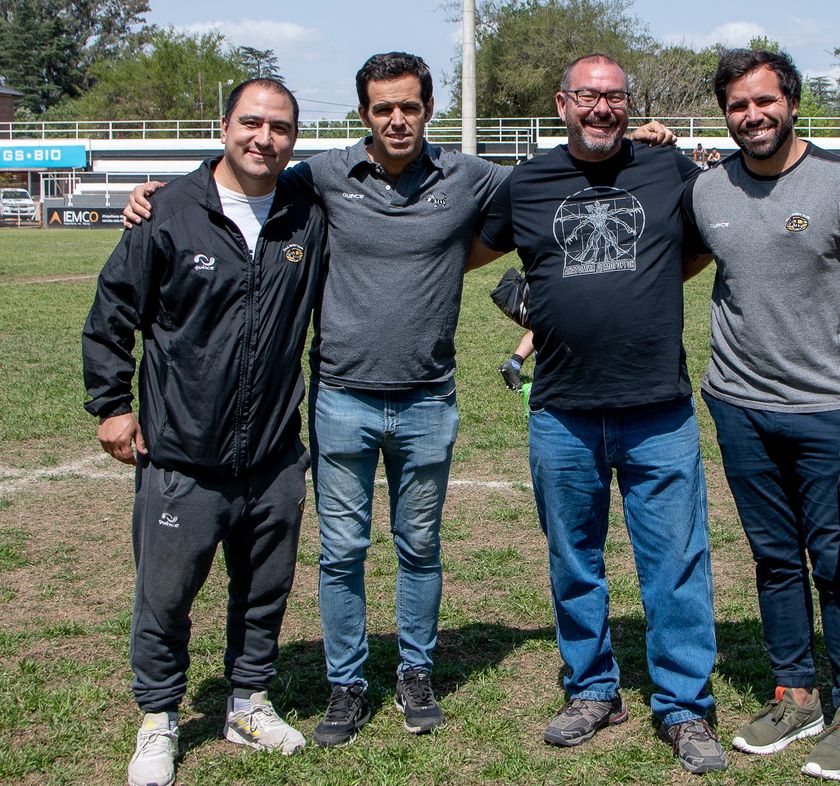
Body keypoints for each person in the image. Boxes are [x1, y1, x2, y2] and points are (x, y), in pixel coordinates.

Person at [124, 52, 677, 748]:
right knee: (341, 552)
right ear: (364, 114)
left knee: (420, 547)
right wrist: (160, 193)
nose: (396, 119)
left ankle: (416, 672)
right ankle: (347, 683)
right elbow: (242, 175)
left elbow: (561, 176)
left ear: (427, 109)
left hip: (427, 401)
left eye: (409, 106)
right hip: (340, 399)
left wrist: (643, 143)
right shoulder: (319, 176)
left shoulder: (470, 176)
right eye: (382, 107)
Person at [467, 53, 727, 775]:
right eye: (589, 96)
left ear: (628, 104)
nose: (603, 109)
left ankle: (683, 707)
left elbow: (704, 244)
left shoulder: (667, 170)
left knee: (674, 564)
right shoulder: (526, 183)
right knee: (573, 560)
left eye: (615, 98)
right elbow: (458, 252)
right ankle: (591, 689)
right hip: (562, 412)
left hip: (659, 410)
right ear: (562, 103)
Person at [683, 49, 840, 781]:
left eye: (764, 102)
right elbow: (675, 265)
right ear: (724, 113)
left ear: (791, 102)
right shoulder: (707, 191)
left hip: (832, 410)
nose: (752, 116)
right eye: (737, 106)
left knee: (837, 561)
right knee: (774, 559)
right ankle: (794, 695)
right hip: (738, 406)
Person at [83, 79, 326, 786]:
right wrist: (113, 406)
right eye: (251, 122)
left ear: (294, 139)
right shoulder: (166, 211)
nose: (264, 138)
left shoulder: (307, 211)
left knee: (264, 590)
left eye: (280, 127)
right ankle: (158, 719)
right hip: (182, 455)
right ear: (224, 128)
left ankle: (248, 702)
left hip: (274, 455)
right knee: (165, 596)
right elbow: (112, 314)